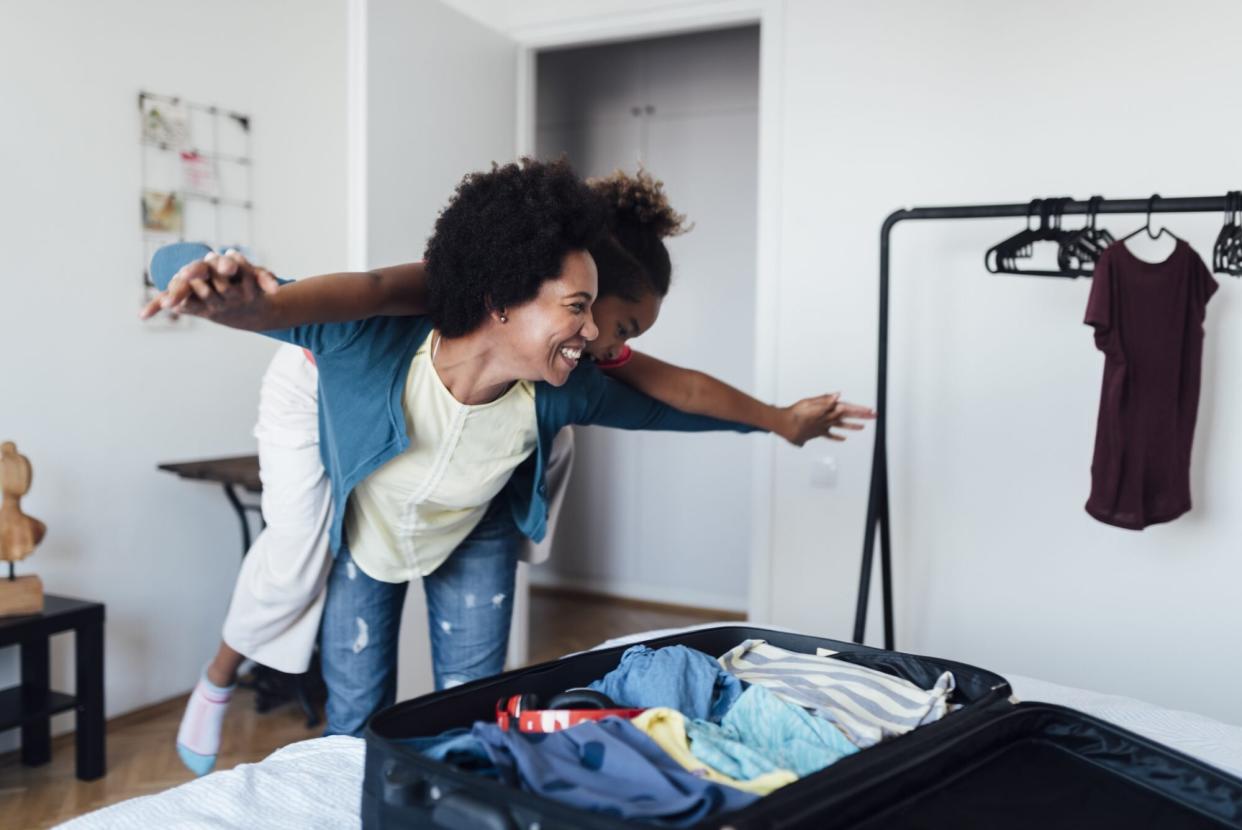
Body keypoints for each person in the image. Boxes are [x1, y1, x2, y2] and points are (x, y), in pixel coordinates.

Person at [150, 162, 874, 772]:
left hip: (473, 500)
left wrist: (781, 421)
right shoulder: (377, 330)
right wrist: (218, 294)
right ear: (503, 296)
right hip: (346, 458)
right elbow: (336, 294)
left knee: (476, 701)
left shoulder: (572, 380)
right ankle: (218, 681)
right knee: (301, 569)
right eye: (589, 313)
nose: (603, 342)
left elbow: (676, 396)